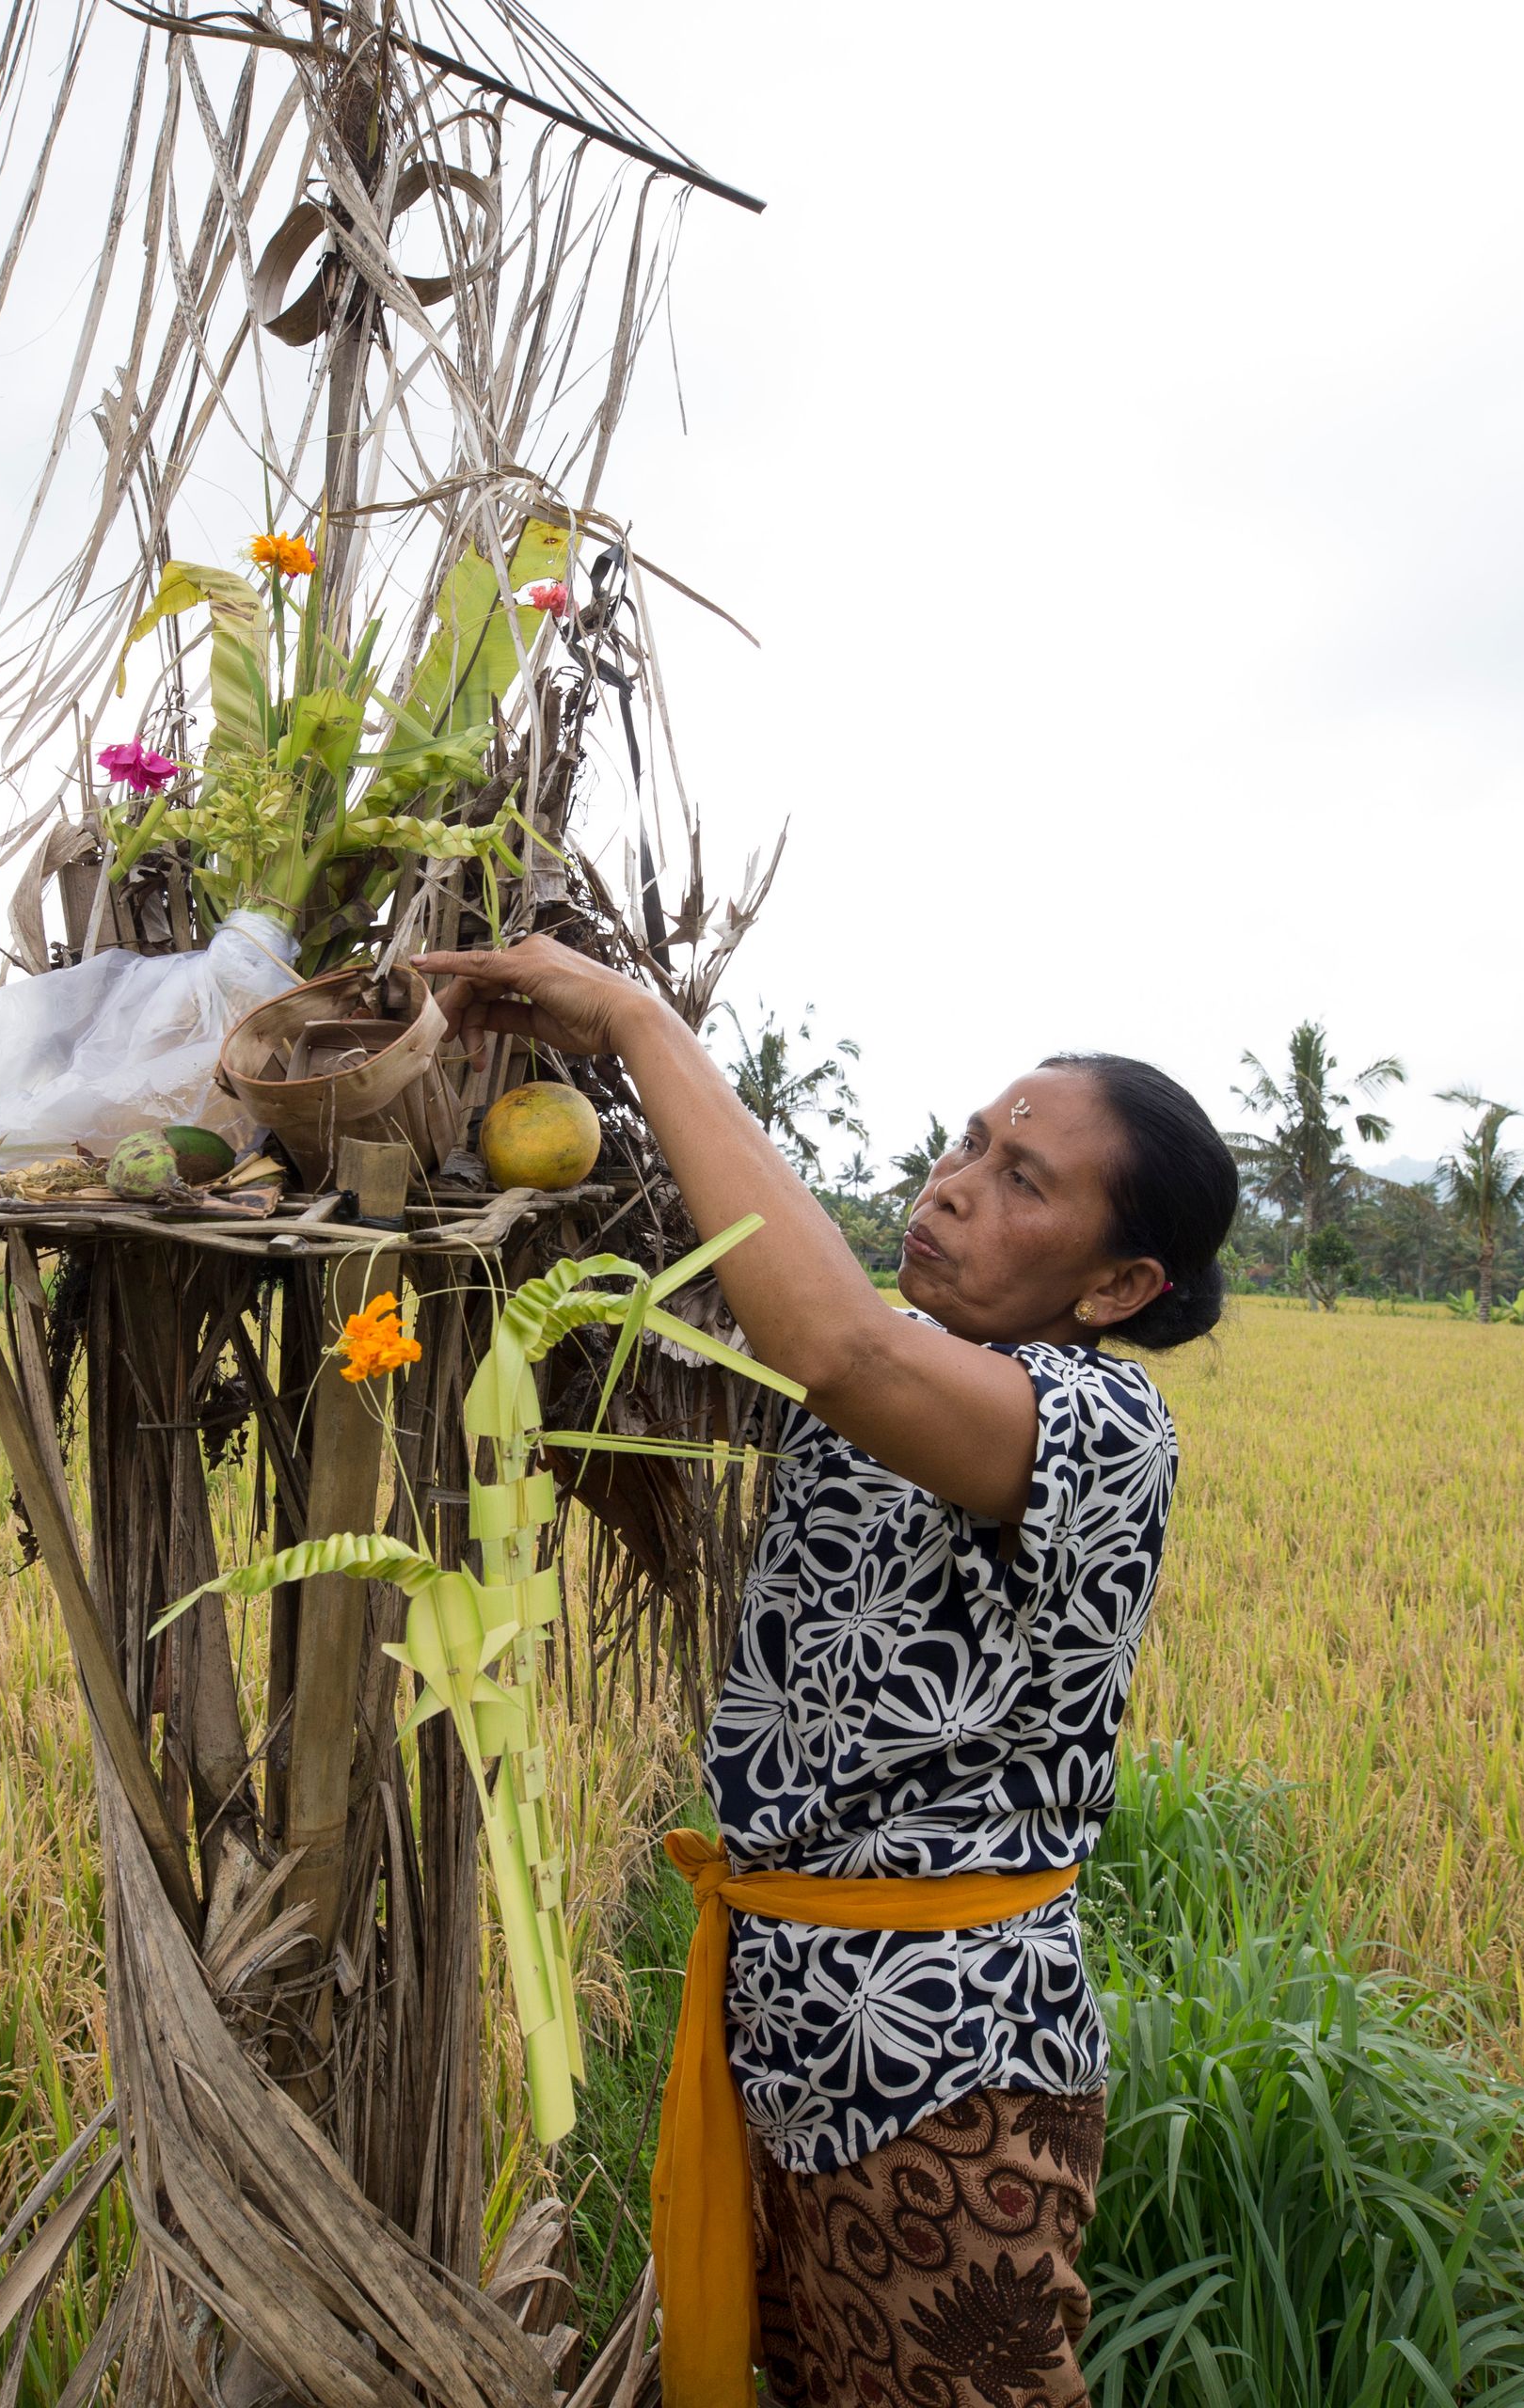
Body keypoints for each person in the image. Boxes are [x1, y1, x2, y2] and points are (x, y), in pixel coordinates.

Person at [414, 934, 1240, 2408]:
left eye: (1023, 1182)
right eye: (973, 1141)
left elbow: (834, 1344)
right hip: (796, 2037)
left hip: (945, 2067)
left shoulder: (1100, 1427)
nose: (954, 1183)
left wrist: (630, 1016)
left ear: (1119, 1285)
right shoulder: (936, 1356)